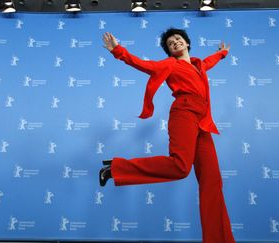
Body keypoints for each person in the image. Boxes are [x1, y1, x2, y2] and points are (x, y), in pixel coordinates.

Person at [99, 28, 235, 243]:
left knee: (212, 181)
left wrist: (222, 53)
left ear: (187, 43)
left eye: (178, 39)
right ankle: (116, 168)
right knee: (181, 167)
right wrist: (118, 50)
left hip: (203, 122)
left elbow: (211, 61)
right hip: (184, 113)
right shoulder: (171, 64)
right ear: (170, 51)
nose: (175, 43)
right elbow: (143, 65)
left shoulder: (200, 65)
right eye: (170, 43)